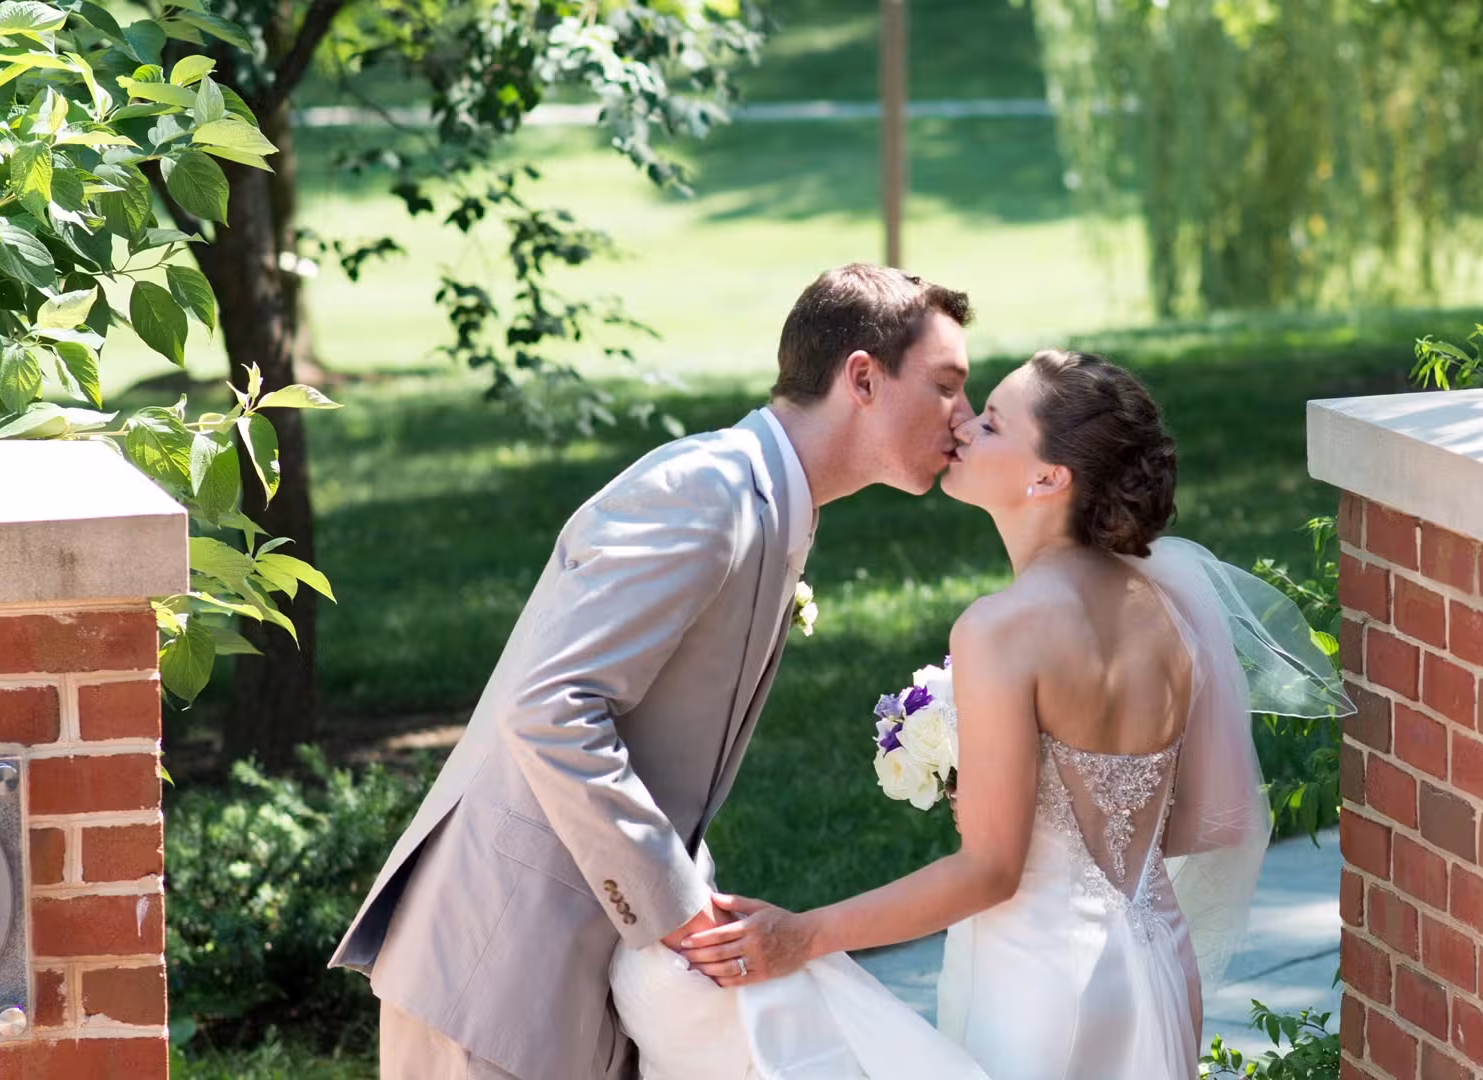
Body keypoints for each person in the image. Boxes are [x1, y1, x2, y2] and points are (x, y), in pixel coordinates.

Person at [328, 263, 977, 1080]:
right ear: (862, 379)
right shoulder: (707, 493)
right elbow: (552, 707)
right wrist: (679, 912)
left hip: (578, 970)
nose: (967, 417)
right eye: (947, 386)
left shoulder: (773, 506)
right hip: (497, 967)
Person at [667, 350, 1353, 1078]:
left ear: (1048, 477)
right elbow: (1201, 820)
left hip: (1041, 981)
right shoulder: (1169, 608)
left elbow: (989, 872)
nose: (962, 426)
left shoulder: (1002, 629)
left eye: (992, 423)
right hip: (1154, 958)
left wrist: (803, 935)